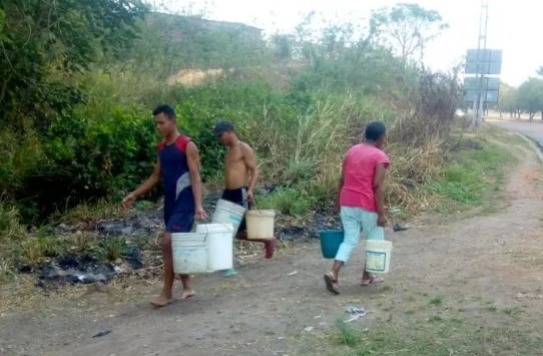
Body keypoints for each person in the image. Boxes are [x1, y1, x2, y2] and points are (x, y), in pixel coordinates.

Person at [122, 104, 206, 307]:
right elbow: (155, 176)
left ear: (173, 121)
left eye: (162, 122)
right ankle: (187, 286)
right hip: (170, 204)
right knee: (175, 244)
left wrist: (198, 206)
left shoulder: (187, 145)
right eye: (156, 123)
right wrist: (134, 194)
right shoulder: (162, 148)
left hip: (185, 204)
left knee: (167, 243)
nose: (158, 127)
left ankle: (166, 293)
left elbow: (195, 177)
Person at [324, 121, 390, 295]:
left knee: (349, 240)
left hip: (347, 201)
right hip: (367, 203)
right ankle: (367, 276)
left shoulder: (351, 151)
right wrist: (381, 213)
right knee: (375, 240)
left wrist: (337, 201)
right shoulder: (379, 156)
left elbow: (342, 179)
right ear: (381, 137)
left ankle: (333, 272)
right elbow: (378, 186)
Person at [214, 120, 274, 277]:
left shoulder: (243, 148)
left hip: (240, 193)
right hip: (228, 193)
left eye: (220, 136)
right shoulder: (229, 151)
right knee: (223, 229)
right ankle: (265, 240)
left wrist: (251, 190)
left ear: (229, 131)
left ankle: (266, 239)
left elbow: (255, 170)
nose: (219, 139)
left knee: (235, 231)